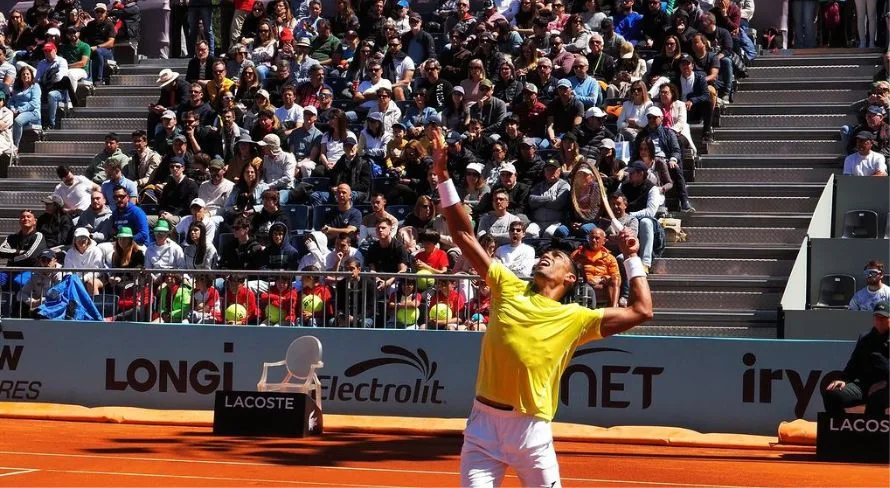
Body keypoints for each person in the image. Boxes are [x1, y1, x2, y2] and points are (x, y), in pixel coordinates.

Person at [428, 124, 652, 486]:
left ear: (570, 280)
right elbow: (464, 234)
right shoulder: (507, 286)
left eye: (558, 256)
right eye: (546, 253)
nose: (547, 256)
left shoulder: (576, 317)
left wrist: (631, 258)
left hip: (531, 433)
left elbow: (642, 311)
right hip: (482, 428)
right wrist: (441, 174)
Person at [821, 301, 889, 416]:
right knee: (832, 394)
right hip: (863, 386)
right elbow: (853, 364)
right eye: (877, 317)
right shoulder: (865, 338)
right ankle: (843, 430)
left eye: (883, 317)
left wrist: (885, 383)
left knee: (876, 399)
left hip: (886, 387)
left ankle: (871, 433)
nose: (879, 320)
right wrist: (843, 379)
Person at [64, 227, 106, 295]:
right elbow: (67, 270)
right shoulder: (70, 252)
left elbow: (97, 271)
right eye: (79, 238)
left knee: (91, 283)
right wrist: (72, 279)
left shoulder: (96, 250)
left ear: (88, 239)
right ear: (74, 240)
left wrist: (83, 278)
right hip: (76, 280)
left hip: (96, 278)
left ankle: (93, 304)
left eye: (84, 238)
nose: (82, 240)